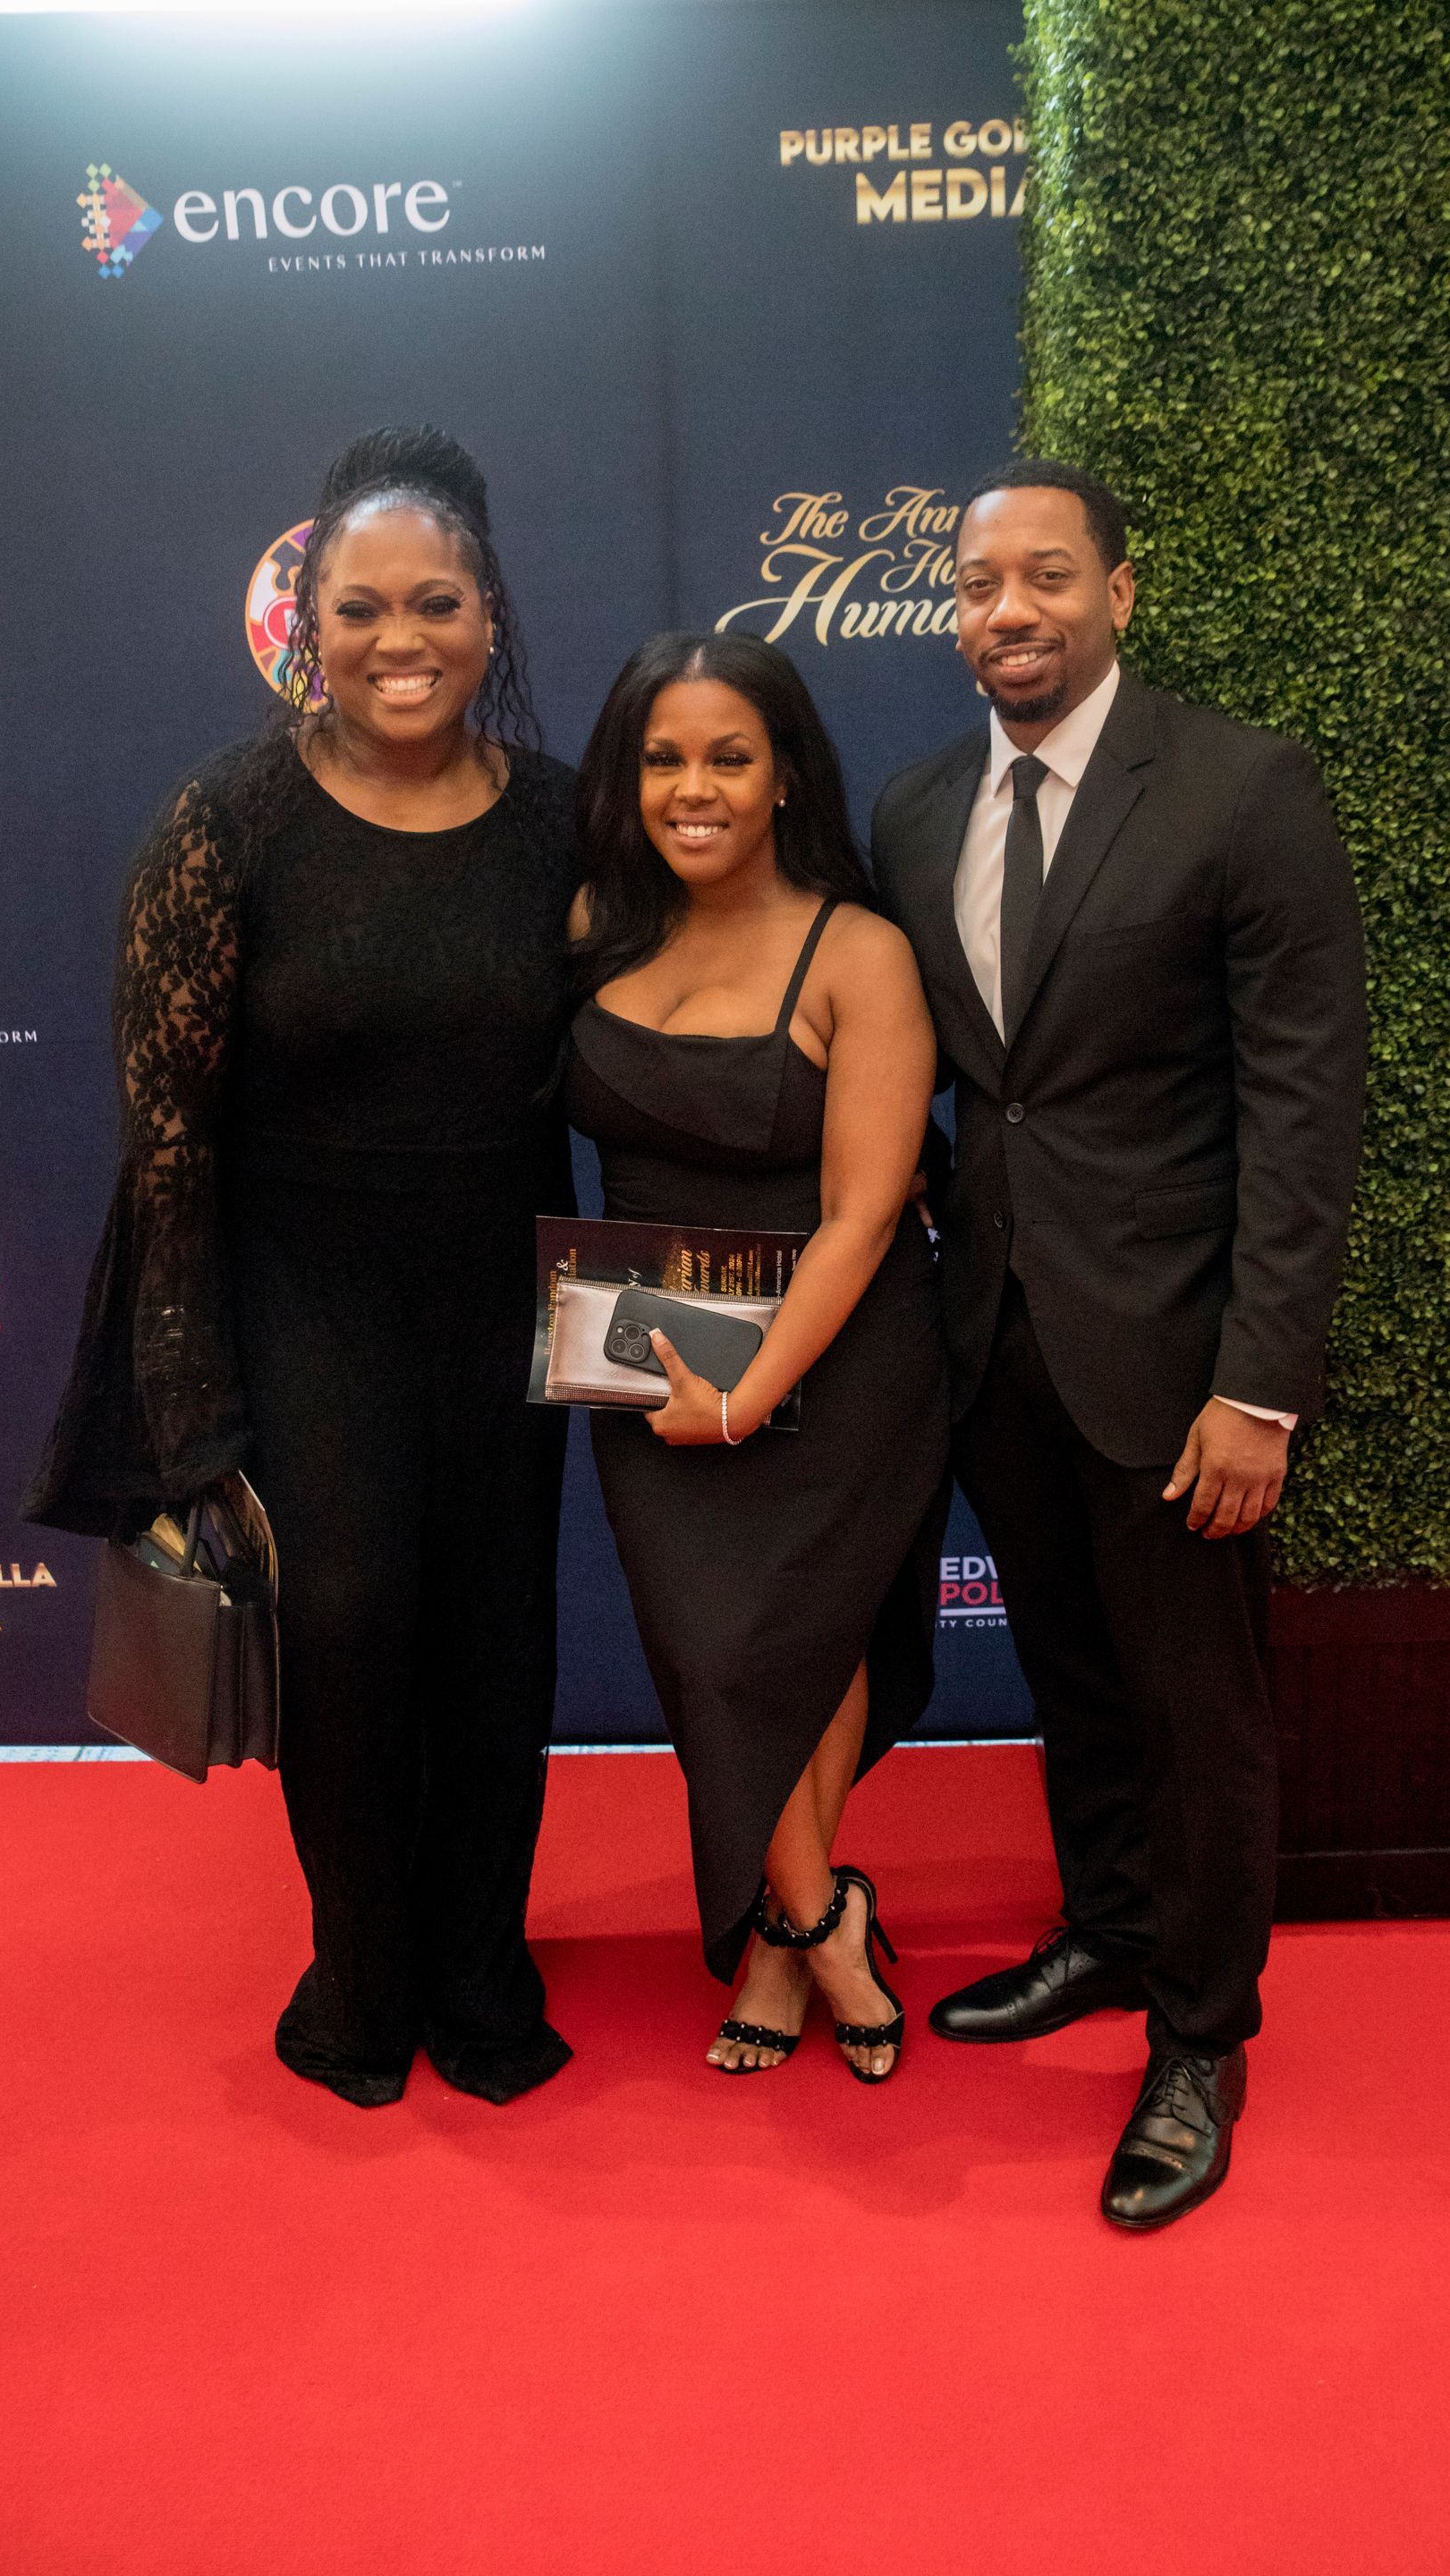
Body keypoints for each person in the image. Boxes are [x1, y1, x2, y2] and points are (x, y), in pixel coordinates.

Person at [26, 426, 581, 2110]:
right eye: (361, 608)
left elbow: (682, 1045)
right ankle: (362, 1971)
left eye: (436, 603)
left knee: (498, 1647)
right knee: (344, 1631)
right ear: (308, 624)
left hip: (509, 1297)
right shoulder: (227, 821)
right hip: (303, 1300)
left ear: (490, 615)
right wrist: (188, 1400)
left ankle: (481, 1971)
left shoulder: (567, 823)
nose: (400, 639)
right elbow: (168, 1136)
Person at [870, 459, 1367, 2224]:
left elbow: (1304, 1109)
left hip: (1177, 1362)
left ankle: (1200, 2037)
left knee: (1195, 1710)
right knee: (1071, 1677)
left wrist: (1260, 1388)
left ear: (1119, 594)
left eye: (1047, 576)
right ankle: (1107, 1930)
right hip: (994, 1342)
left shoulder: (1243, 788)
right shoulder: (917, 811)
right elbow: (957, 1089)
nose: (1008, 610)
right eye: (978, 584)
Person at [566, 632, 949, 2081]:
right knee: (714, 1658)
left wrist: (746, 1399)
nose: (695, 788)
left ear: (785, 775)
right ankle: (822, 1914)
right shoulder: (592, 923)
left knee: (804, 1640)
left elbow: (864, 1215)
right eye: (663, 758)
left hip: (836, 1358)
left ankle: (794, 1941)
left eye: (729, 757)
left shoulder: (860, 953)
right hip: (643, 1338)